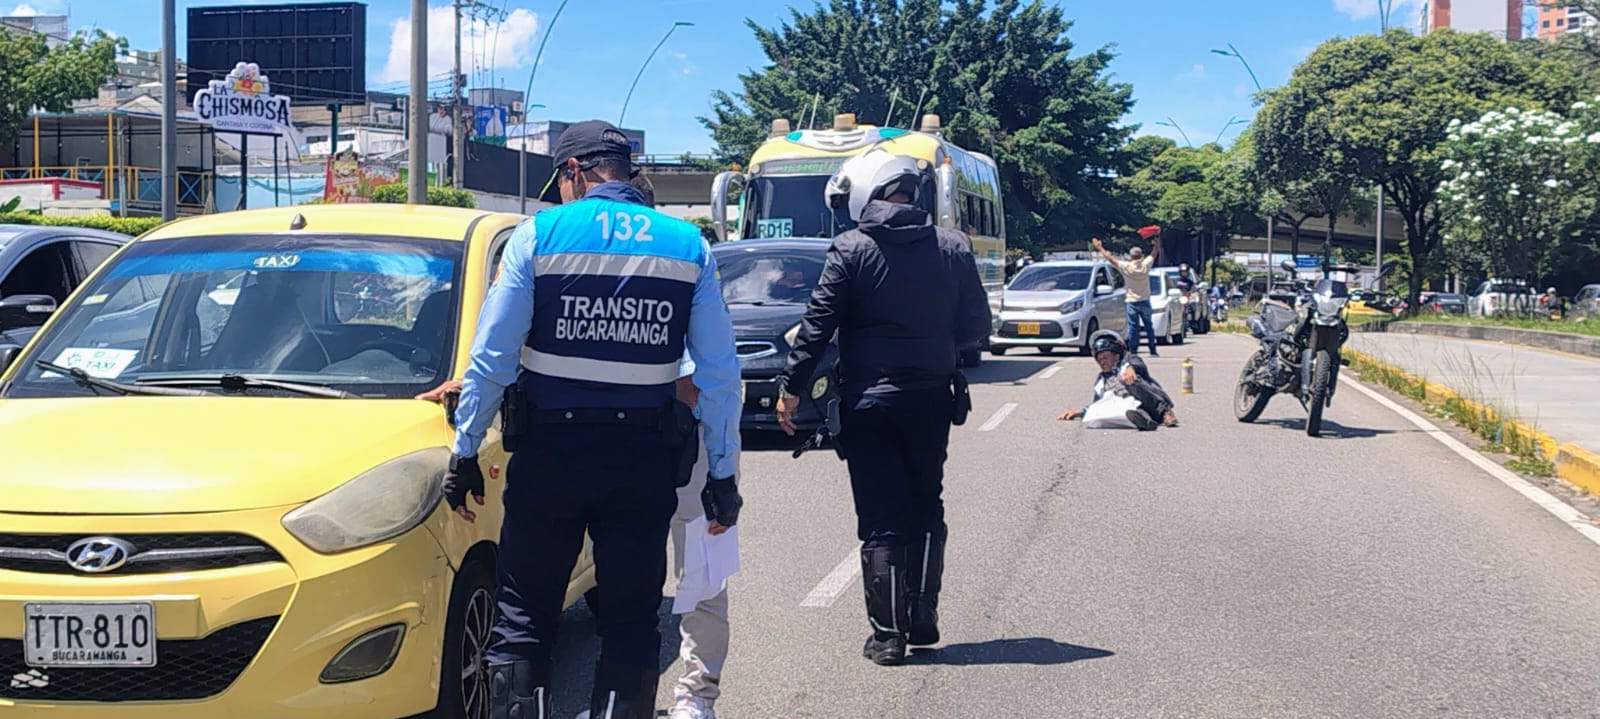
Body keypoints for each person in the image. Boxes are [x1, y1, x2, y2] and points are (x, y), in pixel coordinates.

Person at [441, 120, 743, 719]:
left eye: (560, 181)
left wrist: (465, 448)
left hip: (550, 457)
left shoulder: (538, 236)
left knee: (523, 618)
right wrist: (723, 473)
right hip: (642, 460)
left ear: (575, 171)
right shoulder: (687, 246)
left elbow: (492, 357)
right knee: (631, 622)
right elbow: (719, 374)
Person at [773, 149, 991, 666]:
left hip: (868, 401)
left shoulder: (850, 248)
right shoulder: (953, 247)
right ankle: (922, 615)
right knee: (925, 503)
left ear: (868, 193)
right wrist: (935, 345)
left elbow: (816, 327)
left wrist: (791, 389)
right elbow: (977, 325)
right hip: (932, 397)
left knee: (880, 515)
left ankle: (888, 635)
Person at [1056, 330, 1178, 430]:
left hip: (1148, 401)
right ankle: (1145, 422)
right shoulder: (1101, 381)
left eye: (1105, 357)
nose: (1102, 362)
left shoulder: (1128, 362)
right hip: (1130, 406)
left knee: (1130, 380)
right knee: (1120, 411)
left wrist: (1130, 368)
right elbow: (1098, 402)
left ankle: (1164, 413)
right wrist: (1080, 412)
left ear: (1116, 355)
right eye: (1099, 359)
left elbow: (1135, 363)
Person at [1091, 226, 1161, 357]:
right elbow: (1155, 252)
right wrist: (1156, 238)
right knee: (1148, 326)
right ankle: (1152, 349)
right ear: (1140, 256)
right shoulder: (1146, 265)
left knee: (1133, 327)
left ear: (1130, 256)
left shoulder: (1126, 266)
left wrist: (1100, 248)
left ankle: (1133, 350)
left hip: (1132, 300)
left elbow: (1110, 258)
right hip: (1145, 299)